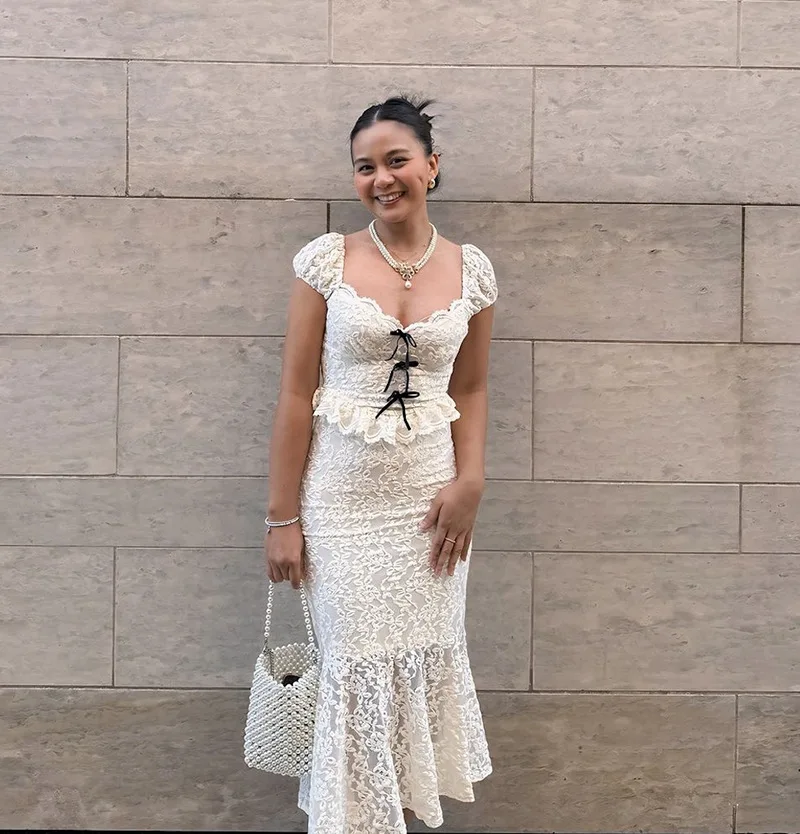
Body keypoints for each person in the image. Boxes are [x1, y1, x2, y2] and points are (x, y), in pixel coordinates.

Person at [264, 94, 497, 834]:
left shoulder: (473, 271)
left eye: (396, 161)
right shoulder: (326, 260)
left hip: (430, 508)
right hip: (340, 506)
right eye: (365, 167)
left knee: (415, 668)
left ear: (432, 166)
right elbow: (295, 393)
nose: (381, 178)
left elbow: (471, 388)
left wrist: (471, 481)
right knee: (353, 669)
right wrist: (282, 518)